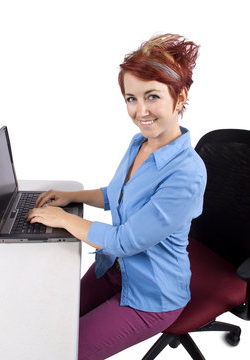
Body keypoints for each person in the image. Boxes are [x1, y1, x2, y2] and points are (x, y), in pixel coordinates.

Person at [26, 33, 207, 359]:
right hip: (116, 270)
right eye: (131, 99)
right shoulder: (140, 143)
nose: (140, 111)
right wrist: (71, 196)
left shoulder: (187, 174)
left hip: (153, 296)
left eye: (152, 96)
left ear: (180, 97)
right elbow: (117, 193)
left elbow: (126, 241)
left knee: (65, 351)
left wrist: (65, 221)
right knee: (45, 323)